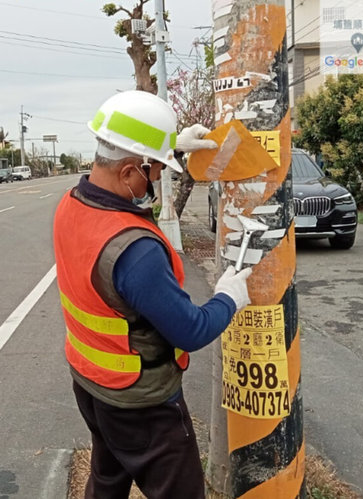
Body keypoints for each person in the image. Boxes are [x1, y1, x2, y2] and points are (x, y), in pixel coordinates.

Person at [52, 90, 253, 499]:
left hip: (91, 384)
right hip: (140, 404)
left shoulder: (72, 205)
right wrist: (229, 296)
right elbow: (192, 330)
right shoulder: (135, 250)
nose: (159, 178)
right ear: (129, 172)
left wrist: (170, 143)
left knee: (107, 480)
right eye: (155, 170)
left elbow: (125, 155)